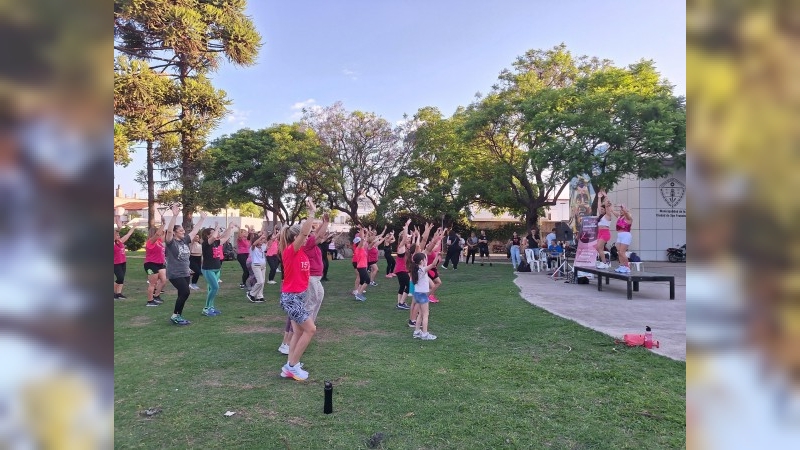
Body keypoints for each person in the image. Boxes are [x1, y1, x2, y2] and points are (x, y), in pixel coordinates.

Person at [278, 198, 318, 381]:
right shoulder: (290, 251)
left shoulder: (301, 252)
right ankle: (292, 366)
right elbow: (304, 232)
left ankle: (290, 365)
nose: (307, 238)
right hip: (292, 298)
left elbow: (312, 235)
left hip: (298, 298)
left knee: (299, 332)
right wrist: (311, 213)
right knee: (310, 330)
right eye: (304, 236)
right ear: (296, 238)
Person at [163, 204, 207, 325]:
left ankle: (178, 315)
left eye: (183, 230)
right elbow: (170, 230)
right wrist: (174, 216)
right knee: (185, 292)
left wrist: (202, 219)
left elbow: (194, 231)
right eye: (181, 230)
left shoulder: (184, 241)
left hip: (185, 272)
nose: (183, 232)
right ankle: (175, 316)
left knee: (182, 293)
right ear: (175, 233)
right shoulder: (171, 243)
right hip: (174, 273)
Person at [200, 222, 238, 316]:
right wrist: (216, 228)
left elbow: (225, 238)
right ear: (208, 235)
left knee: (211, 289)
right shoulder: (206, 244)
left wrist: (229, 228)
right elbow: (213, 237)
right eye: (213, 232)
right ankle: (206, 308)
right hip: (208, 269)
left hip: (216, 269)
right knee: (215, 287)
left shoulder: (216, 243)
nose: (216, 234)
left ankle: (211, 307)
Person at [302, 213, 329, 322]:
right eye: (312, 231)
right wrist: (326, 223)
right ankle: (305, 322)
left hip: (316, 277)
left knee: (319, 298)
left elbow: (319, 235)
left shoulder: (312, 243)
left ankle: (310, 321)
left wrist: (323, 223)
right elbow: (319, 235)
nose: (314, 232)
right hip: (311, 277)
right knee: (312, 300)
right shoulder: (307, 243)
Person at [410, 250, 441, 340]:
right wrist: (437, 256)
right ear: (421, 261)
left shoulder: (416, 270)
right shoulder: (422, 270)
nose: (425, 261)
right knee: (425, 314)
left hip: (417, 294)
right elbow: (433, 264)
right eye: (424, 259)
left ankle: (416, 331)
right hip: (422, 295)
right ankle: (425, 334)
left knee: (420, 314)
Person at [143, 221, 167, 307]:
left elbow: (164, 235)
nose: (160, 235)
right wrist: (163, 224)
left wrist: (164, 229)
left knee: (163, 281)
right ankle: (150, 301)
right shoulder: (150, 242)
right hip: (150, 264)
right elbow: (157, 234)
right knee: (152, 283)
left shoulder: (159, 241)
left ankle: (156, 296)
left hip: (160, 264)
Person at [113, 215, 136, 300]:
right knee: (120, 278)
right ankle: (114, 293)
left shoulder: (120, 242)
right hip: (116, 263)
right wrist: (118, 226)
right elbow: (116, 232)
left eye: (119, 235)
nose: (118, 236)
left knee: (122, 279)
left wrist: (134, 226)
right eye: (117, 235)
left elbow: (128, 234)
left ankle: (119, 294)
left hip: (123, 262)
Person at [246, 228, 271, 303]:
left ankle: (260, 296)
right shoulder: (253, 248)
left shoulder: (262, 247)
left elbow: (269, 243)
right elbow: (254, 244)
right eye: (260, 241)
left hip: (263, 266)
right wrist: (260, 237)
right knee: (260, 281)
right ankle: (251, 294)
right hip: (256, 265)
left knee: (262, 282)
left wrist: (272, 237)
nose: (261, 242)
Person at [393, 219, 412, 310]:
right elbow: (404, 237)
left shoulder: (402, 247)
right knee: (409, 286)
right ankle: (401, 303)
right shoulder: (401, 246)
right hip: (401, 270)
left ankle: (399, 303)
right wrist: (407, 225)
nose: (408, 239)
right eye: (408, 238)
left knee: (402, 286)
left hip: (400, 270)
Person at [595, 193, 616, 269]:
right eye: (601, 209)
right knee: (598, 248)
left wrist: (606, 196)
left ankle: (604, 262)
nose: (601, 210)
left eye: (602, 209)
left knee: (599, 247)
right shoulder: (600, 217)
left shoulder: (607, 215)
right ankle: (604, 262)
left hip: (605, 233)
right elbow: (598, 206)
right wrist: (599, 197)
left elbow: (607, 206)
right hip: (600, 233)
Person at [614, 204, 634, 273]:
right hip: (619, 235)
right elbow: (612, 211)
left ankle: (627, 267)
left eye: (622, 210)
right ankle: (622, 266)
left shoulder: (629, 218)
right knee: (619, 252)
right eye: (620, 210)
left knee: (622, 252)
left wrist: (623, 207)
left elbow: (626, 213)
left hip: (626, 235)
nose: (621, 211)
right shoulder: (619, 217)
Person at [351, 230, 370, 302]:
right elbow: (363, 240)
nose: (363, 242)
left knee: (362, 282)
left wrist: (367, 232)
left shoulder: (361, 248)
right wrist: (362, 231)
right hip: (361, 266)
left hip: (362, 266)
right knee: (367, 280)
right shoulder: (358, 248)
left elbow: (365, 240)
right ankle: (359, 294)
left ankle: (358, 295)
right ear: (358, 243)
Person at [236, 225, 254, 289]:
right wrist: (239, 228)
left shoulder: (247, 240)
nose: (246, 233)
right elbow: (239, 236)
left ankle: (247, 283)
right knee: (246, 270)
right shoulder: (240, 239)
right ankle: (243, 284)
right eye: (244, 232)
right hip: (241, 255)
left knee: (249, 270)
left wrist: (249, 228)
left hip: (247, 255)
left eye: (246, 232)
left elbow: (251, 235)